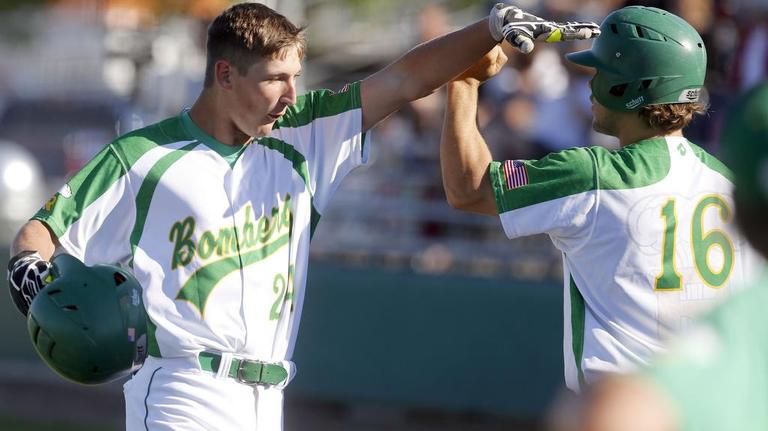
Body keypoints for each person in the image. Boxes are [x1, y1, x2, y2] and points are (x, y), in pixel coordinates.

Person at [5, 3, 599, 430]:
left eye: (296, 76)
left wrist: (490, 26)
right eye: (275, 79)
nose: (292, 94)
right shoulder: (141, 156)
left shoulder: (305, 135)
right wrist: (35, 283)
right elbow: (38, 233)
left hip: (269, 397)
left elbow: (406, 78)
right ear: (225, 74)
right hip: (181, 387)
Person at [439, 6, 763, 393]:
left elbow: (468, 188)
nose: (591, 86)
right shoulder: (731, 183)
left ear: (627, 88)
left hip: (624, 411)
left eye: (602, 73)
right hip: (711, 409)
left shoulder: (594, 174)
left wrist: (463, 83)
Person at [576, 80, 768, 431]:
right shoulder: (715, 176)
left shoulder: (736, 327)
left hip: (650, 388)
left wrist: (464, 86)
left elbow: (617, 415)